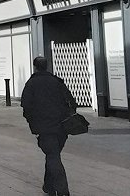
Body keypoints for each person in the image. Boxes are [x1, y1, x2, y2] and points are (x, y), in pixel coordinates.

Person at [21, 56, 76, 196]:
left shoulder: (31, 84)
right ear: (47, 66)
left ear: (35, 67)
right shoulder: (57, 82)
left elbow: (26, 106)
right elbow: (71, 102)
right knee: (53, 155)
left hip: (44, 127)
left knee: (53, 156)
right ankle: (48, 186)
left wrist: (33, 124)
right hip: (61, 127)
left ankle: (62, 190)